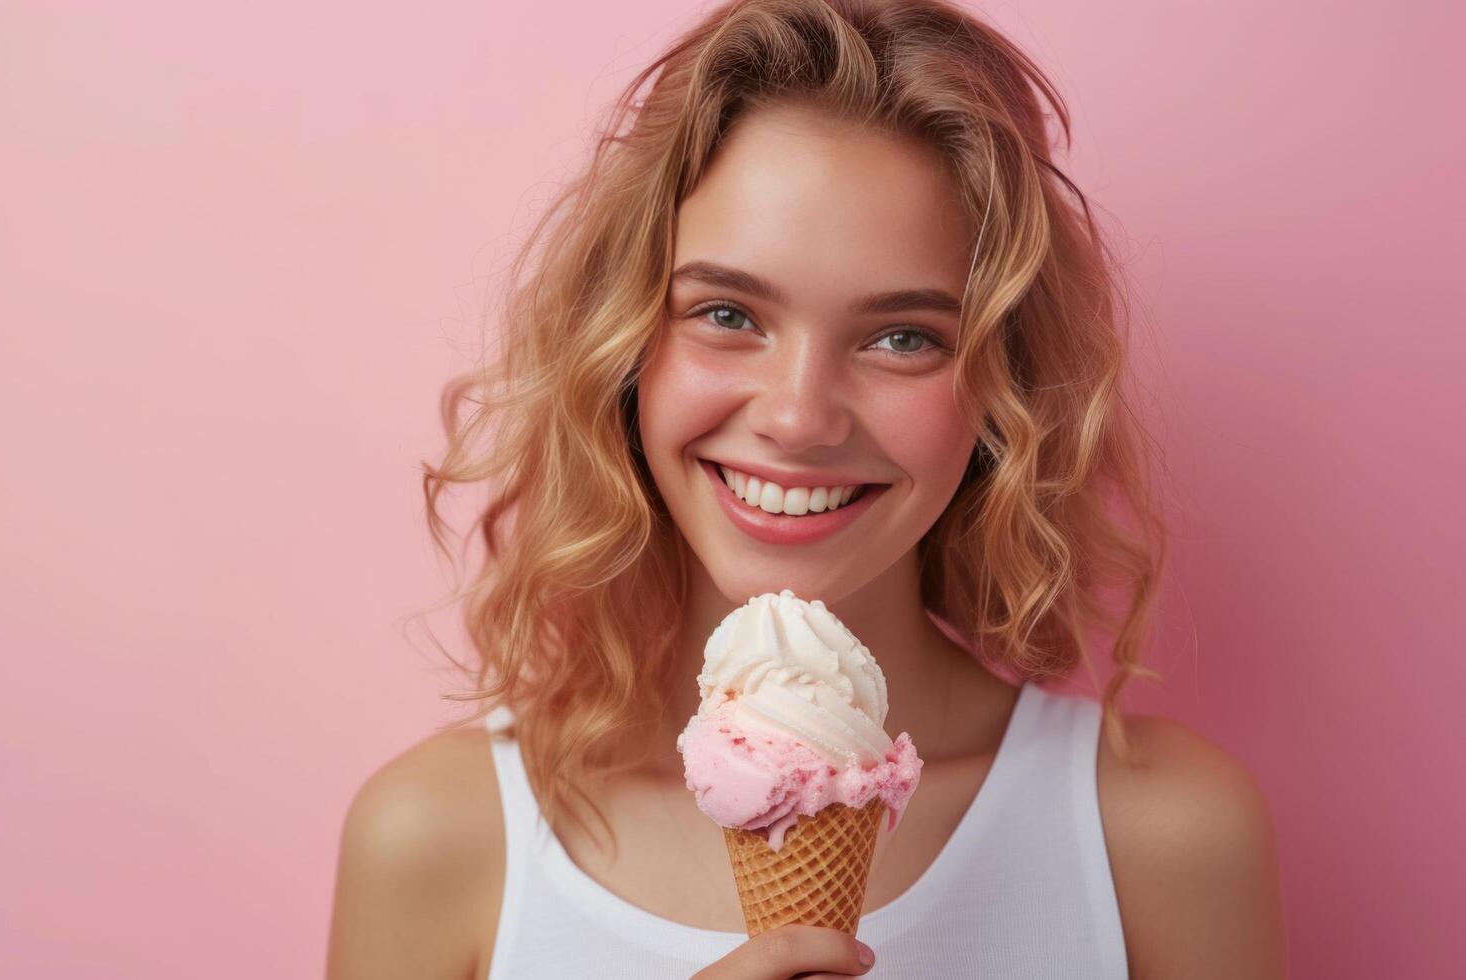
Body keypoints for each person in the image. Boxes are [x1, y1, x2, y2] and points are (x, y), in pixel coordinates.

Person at [328, 0, 1286, 976]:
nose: (797, 416)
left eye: (902, 335)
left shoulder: (1159, 838)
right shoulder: (437, 838)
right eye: (727, 312)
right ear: (622, 348)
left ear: (1005, 387)